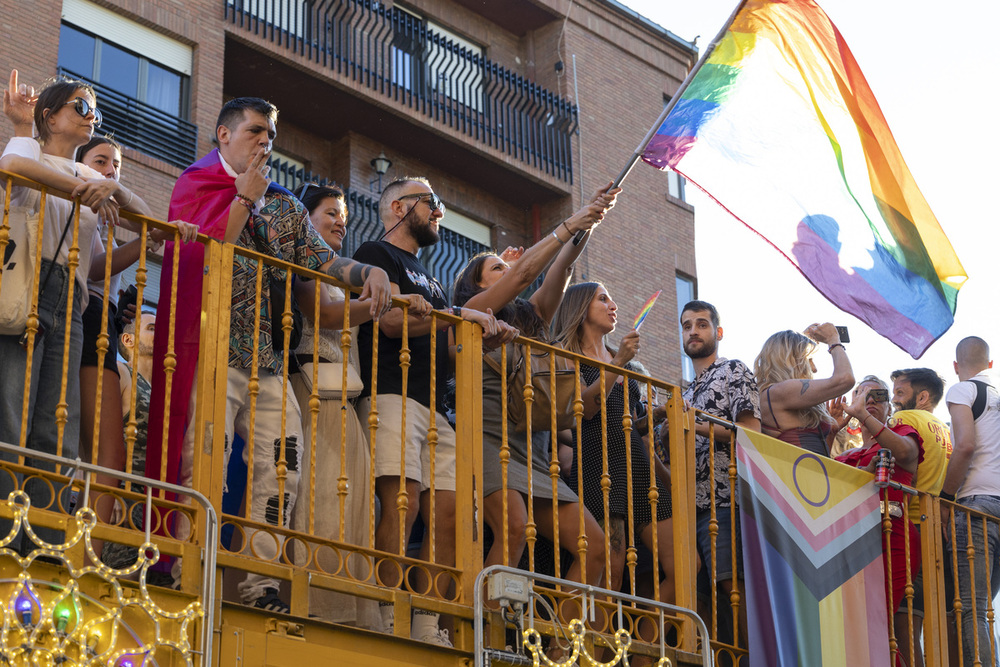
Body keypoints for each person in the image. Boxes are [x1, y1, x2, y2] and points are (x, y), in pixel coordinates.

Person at [144, 97, 393, 612]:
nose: (265, 141)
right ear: (223, 135)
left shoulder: (283, 204)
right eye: (256, 130)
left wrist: (367, 273)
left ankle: (260, 582)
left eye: (271, 135)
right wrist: (241, 200)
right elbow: (206, 256)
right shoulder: (195, 182)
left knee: (282, 466)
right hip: (206, 349)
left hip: (266, 358)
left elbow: (322, 260)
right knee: (199, 460)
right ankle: (185, 566)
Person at [352, 176, 510, 645]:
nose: (439, 212)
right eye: (432, 203)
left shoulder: (434, 281)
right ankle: (383, 609)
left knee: (450, 513)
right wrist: (456, 318)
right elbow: (391, 322)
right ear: (398, 206)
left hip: (435, 405)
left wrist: (483, 336)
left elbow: (445, 348)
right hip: (389, 393)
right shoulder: (374, 256)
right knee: (403, 504)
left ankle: (427, 619)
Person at [0, 70, 144, 548]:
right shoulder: (31, 151)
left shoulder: (87, 174)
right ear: (50, 116)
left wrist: (114, 190)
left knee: (55, 427)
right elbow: (16, 169)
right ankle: (6, 535)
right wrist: (21, 123)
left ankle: (41, 542)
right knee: (11, 415)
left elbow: (139, 206)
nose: (91, 117)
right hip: (30, 286)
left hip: (72, 298)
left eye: (94, 111)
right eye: (80, 108)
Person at [451, 184, 617, 589]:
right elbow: (526, 271)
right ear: (476, 286)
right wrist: (571, 221)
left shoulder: (533, 315)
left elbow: (561, 270)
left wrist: (590, 220)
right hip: (491, 439)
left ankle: (563, 648)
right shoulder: (471, 312)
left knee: (595, 546)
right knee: (513, 528)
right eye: (495, 268)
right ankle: (481, 632)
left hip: (537, 449)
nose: (507, 270)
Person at [289, 183, 431, 627]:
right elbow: (323, 315)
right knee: (320, 502)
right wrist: (380, 302)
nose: (339, 222)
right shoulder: (306, 263)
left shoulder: (343, 272)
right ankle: (315, 606)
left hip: (347, 399)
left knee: (354, 510)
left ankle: (349, 610)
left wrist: (385, 298)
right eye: (330, 212)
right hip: (313, 391)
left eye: (343, 216)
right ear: (304, 219)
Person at [552, 282, 674, 603]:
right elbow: (586, 409)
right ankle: (570, 646)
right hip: (599, 461)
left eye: (612, 298)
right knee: (611, 571)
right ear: (579, 308)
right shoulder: (567, 354)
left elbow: (627, 425)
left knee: (684, 564)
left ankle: (645, 655)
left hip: (636, 463)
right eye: (603, 299)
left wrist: (657, 415)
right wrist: (618, 361)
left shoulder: (627, 364)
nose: (613, 304)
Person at [668, 300, 759, 647]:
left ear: (718, 333)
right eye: (687, 325)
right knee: (700, 599)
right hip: (690, 506)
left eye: (702, 324)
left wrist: (697, 425)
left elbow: (752, 432)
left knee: (731, 586)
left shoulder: (733, 370)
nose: (693, 331)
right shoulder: (686, 391)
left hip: (725, 499)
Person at [836, 376, 921, 646]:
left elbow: (907, 453)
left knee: (876, 621)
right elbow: (820, 482)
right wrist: (829, 431)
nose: (870, 400)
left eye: (879, 396)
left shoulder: (902, 434)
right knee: (847, 623)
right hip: (850, 539)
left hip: (891, 533)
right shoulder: (845, 455)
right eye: (862, 394)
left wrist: (863, 415)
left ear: (889, 408)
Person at [941, 337, 1000, 667]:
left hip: (975, 506)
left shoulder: (962, 390)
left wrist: (946, 499)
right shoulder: (997, 397)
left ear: (955, 366)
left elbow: (964, 447)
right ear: (990, 365)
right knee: (986, 608)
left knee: (973, 609)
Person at [753, 325, 855, 456]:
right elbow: (845, 379)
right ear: (792, 360)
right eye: (809, 360)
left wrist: (831, 433)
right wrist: (833, 340)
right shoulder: (778, 392)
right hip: (792, 474)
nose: (814, 369)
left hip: (807, 473)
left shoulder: (780, 394)